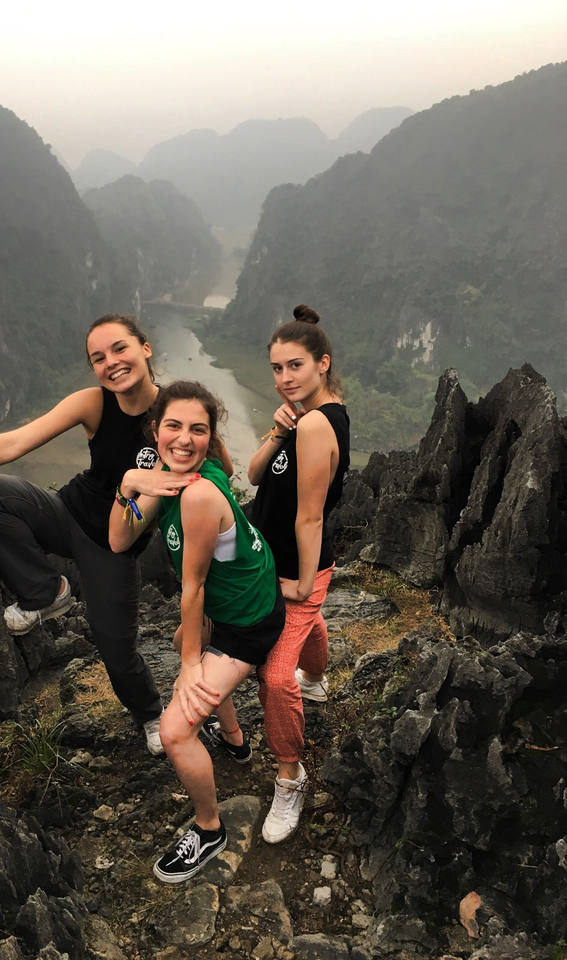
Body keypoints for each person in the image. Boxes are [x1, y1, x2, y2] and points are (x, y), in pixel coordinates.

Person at [0, 313, 205, 757]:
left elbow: (210, 466)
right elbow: (17, 441)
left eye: (120, 348)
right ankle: (46, 592)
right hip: (65, 512)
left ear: (145, 349)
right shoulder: (94, 403)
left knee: (117, 651)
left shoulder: (173, 413)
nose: (111, 362)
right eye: (98, 358)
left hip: (115, 544)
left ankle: (149, 714)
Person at [109, 380, 285, 882]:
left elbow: (194, 587)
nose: (184, 439)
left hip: (248, 620)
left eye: (198, 430)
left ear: (211, 435)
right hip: (240, 601)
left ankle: (210, 829)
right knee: (180, 643)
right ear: (155, 430)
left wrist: (190, 668)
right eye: (173, 426)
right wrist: (129, 486)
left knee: (174, 730)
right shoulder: (169, 477)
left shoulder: (199, 495)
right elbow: (118, 538)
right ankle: (234, 740)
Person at [248, 303, 350, 843]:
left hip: (296, 566)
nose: (285, 377)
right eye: (277, 368)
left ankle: (290, 775)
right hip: (268, 557)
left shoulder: (316, 424)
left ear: (322, 363)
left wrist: (305, 583)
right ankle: (317, 679)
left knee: (273, 676)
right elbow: (254, 475)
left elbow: (310, 516)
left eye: (296, 366)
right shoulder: (300, 419)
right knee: (306, 628)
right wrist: (275, 430)